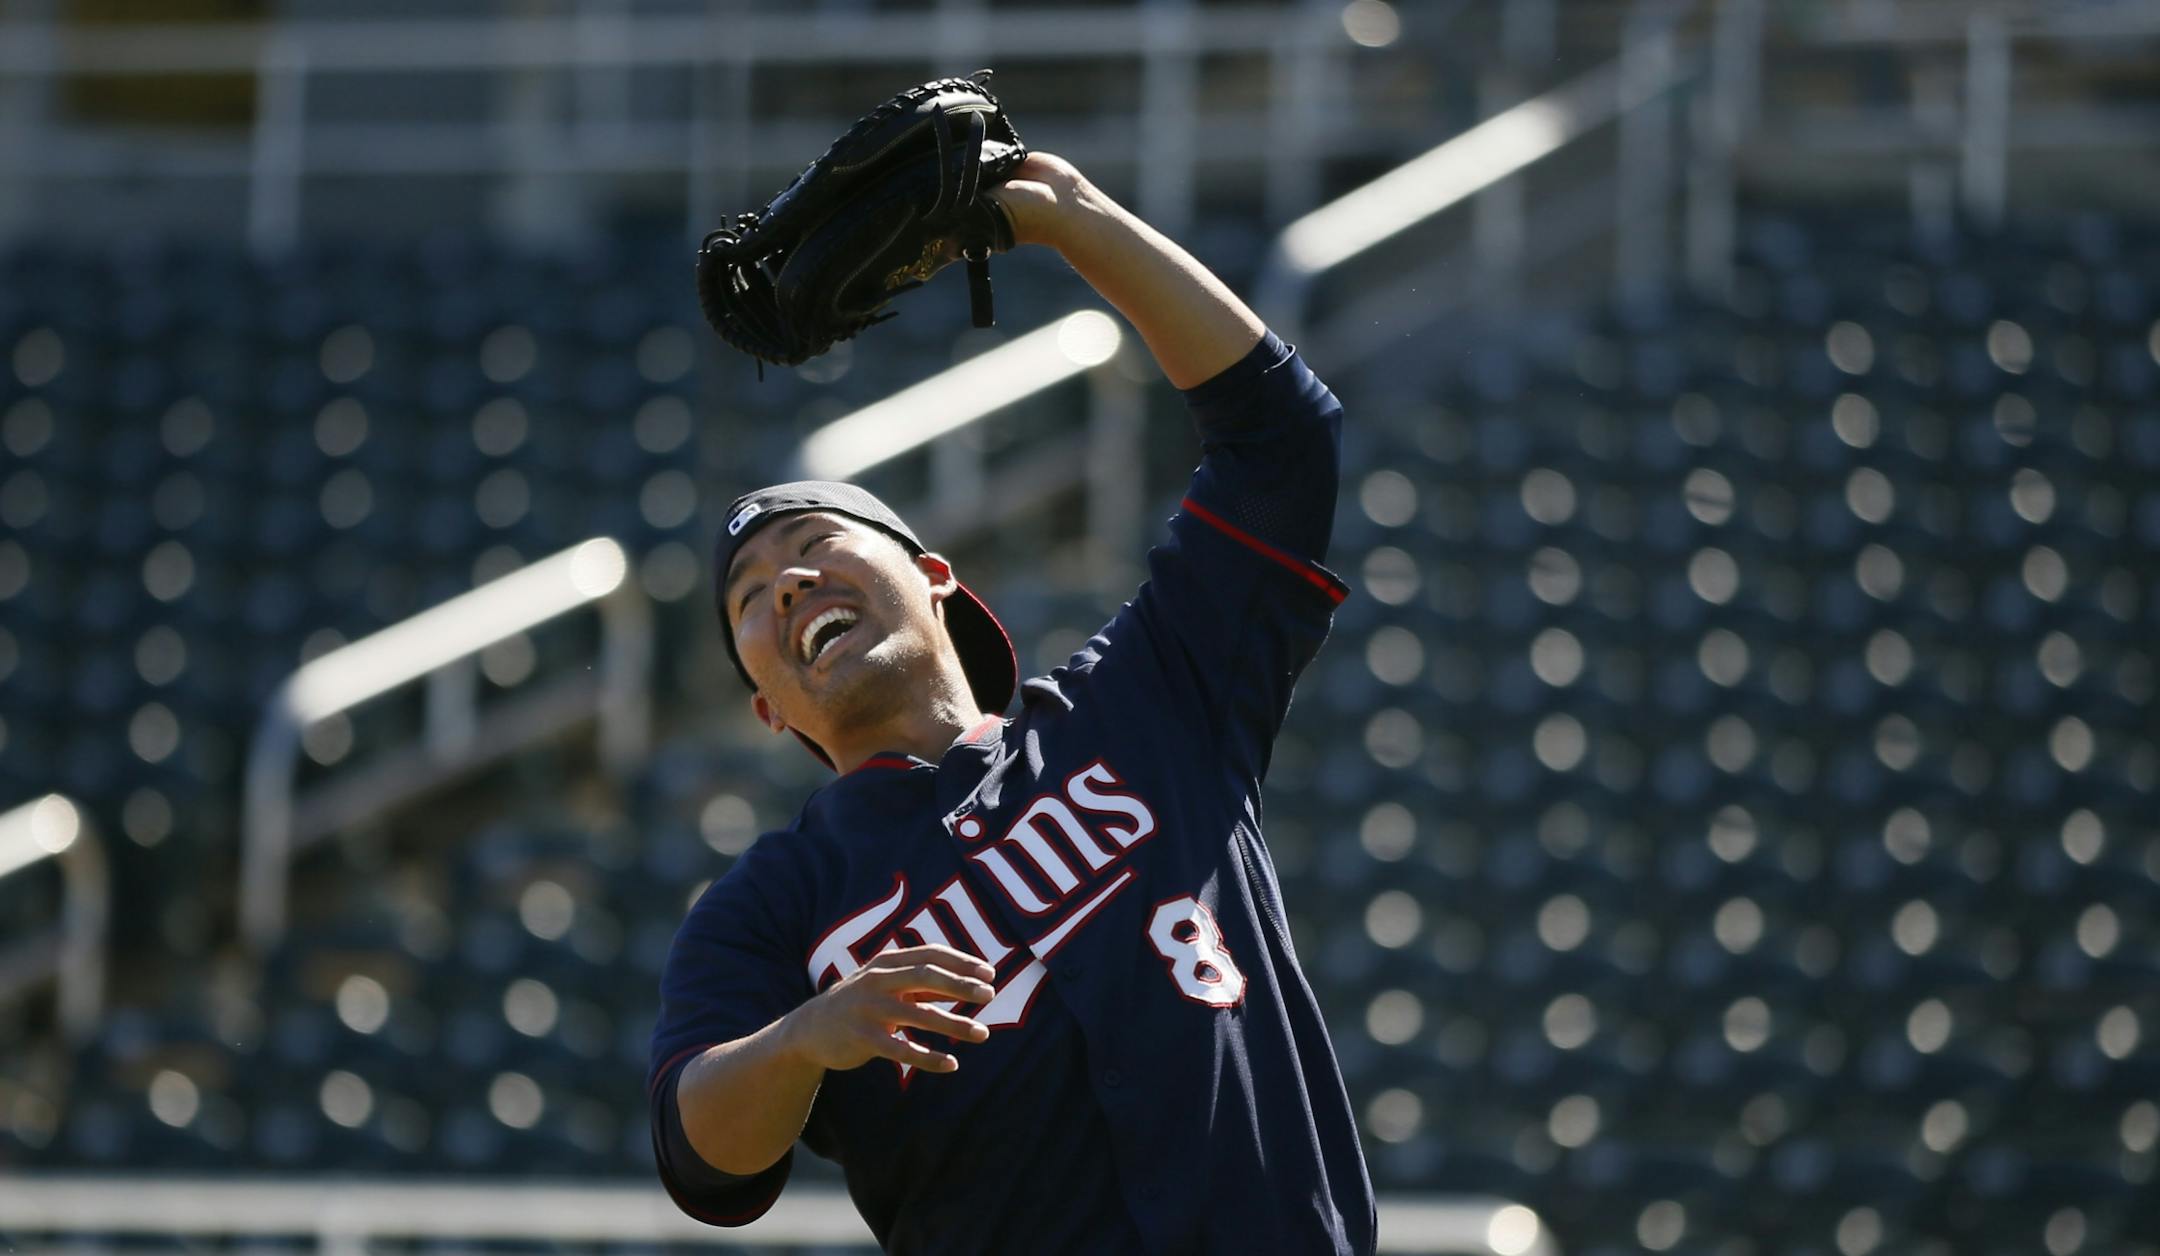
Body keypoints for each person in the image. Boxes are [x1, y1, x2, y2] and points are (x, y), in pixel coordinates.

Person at [648, 151, 1376, 1255]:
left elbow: (1282, 440)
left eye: (813, 543)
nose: (788, 582)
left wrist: (1078, 220)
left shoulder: (1143, 702)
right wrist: (804, 1039)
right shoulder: (770, 905)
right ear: (766, 706)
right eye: (752, 598)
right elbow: (702, 1152)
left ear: (936, 574)